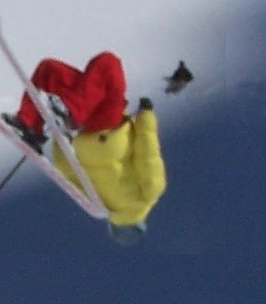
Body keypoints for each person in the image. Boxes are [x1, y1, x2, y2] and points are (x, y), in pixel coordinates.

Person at [9, 50, 167, 229]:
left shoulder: (149, 193)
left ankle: (63, 112)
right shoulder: (100, 208)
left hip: (109, 133)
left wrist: (146, 115)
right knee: (50, 71)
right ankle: (30, 125)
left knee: (109, 64)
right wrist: (59, 139)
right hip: (86, 134)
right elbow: (70, 173)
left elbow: (148, 152)